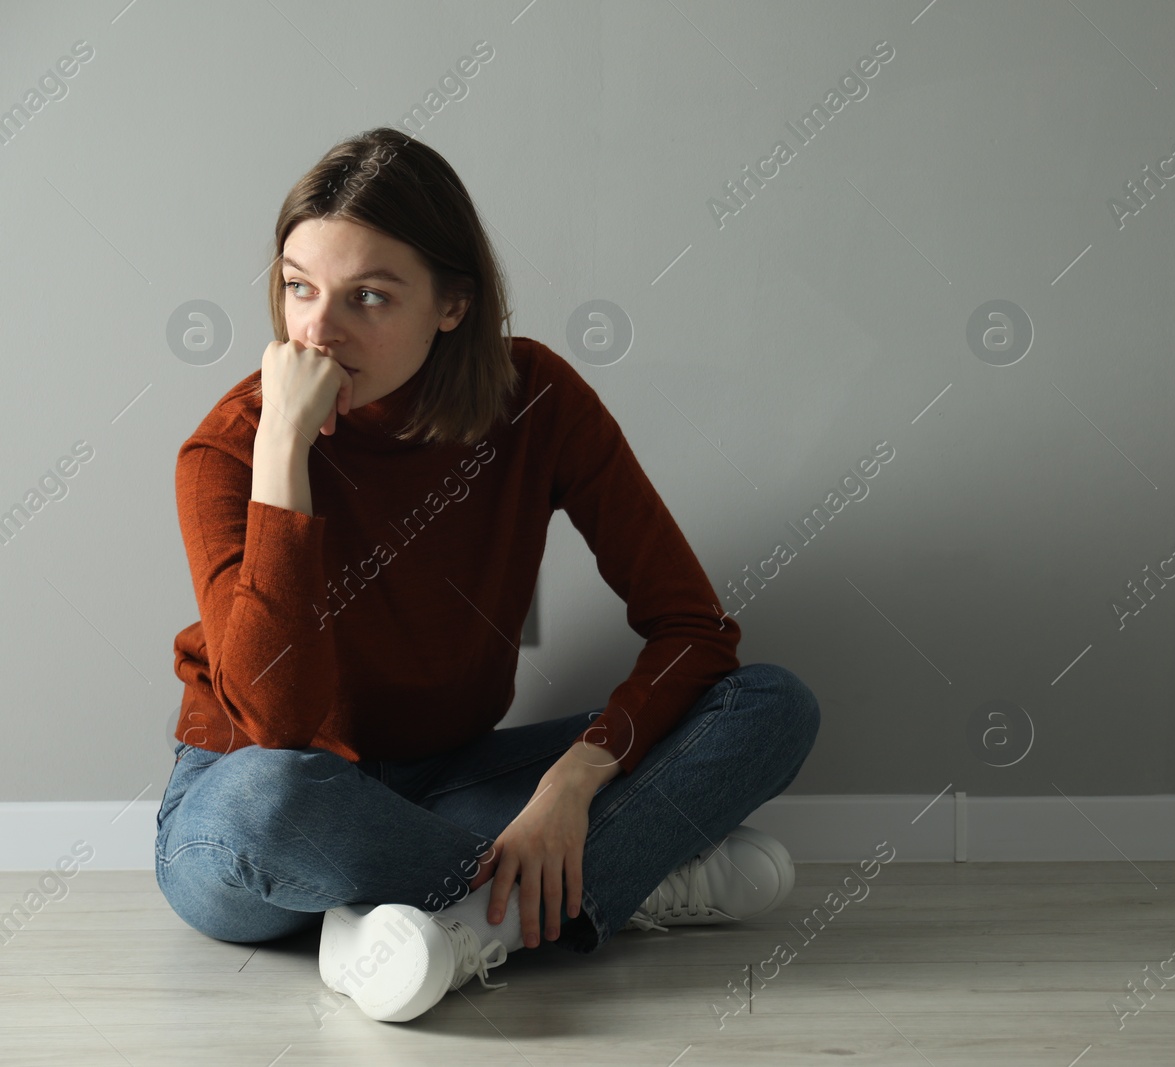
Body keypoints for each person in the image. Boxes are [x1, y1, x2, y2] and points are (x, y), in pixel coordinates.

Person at [155, 127, 820, 1024]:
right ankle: (578, 893)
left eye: (370, 296)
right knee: (265, 802)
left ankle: (428, 921)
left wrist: (572, 782)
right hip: (262, 813)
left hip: (454, 779)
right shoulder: (230, 449)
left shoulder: (535, 399)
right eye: (298, 287)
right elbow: (278, 724)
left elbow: (695, 629)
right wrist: (283, 451)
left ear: (453, 305)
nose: (316, 330)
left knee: (772, 705)